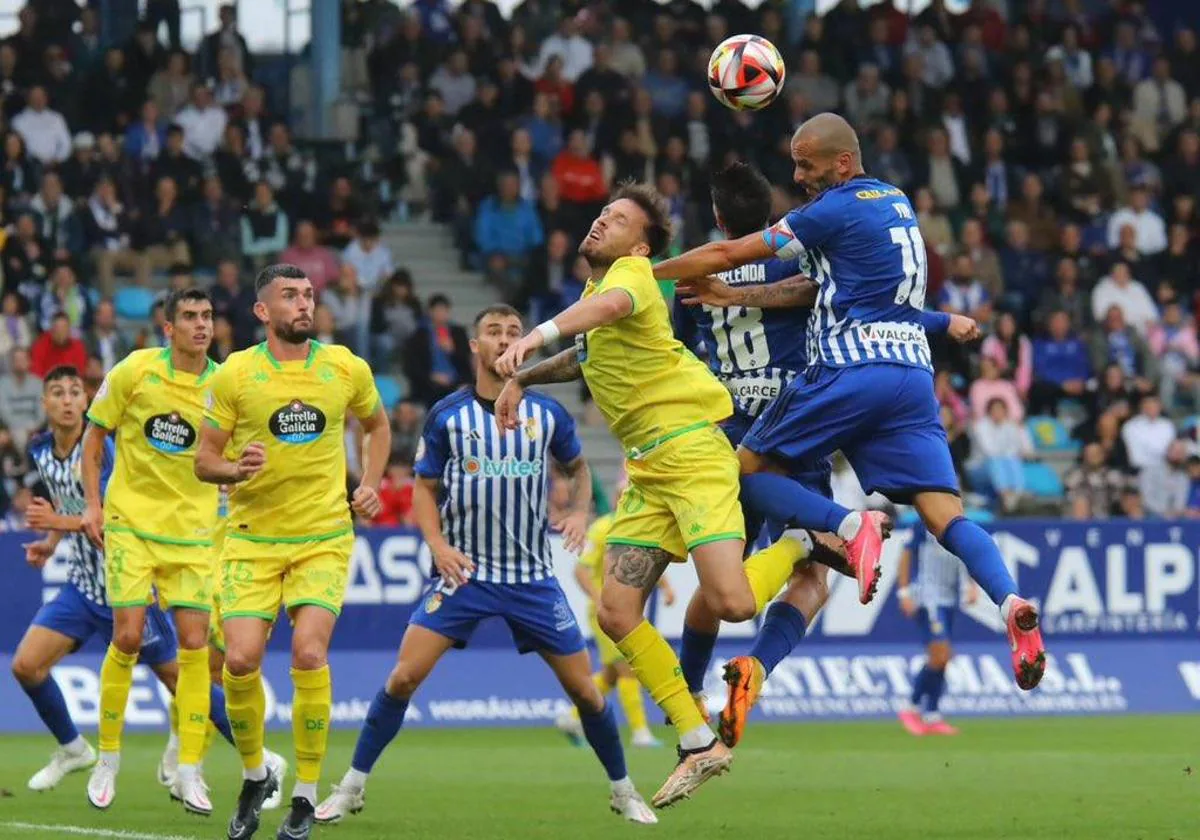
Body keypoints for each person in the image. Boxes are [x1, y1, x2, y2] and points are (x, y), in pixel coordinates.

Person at [652, 113, 1046, 693]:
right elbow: (832, 290)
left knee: (745, 470)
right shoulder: (898, 204)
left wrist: (640, 275)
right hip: (912, 376)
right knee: (946, 515)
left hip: (848, 369)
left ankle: (845, 524)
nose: (799, 175)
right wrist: (947, 321)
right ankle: (1010, 599)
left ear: (842, 161)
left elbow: (735, 253)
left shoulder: (829, 209)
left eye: (806, 163)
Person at [492, 184, 817, 808]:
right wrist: (526, 381)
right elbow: (585, 354)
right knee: (616, 613)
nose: (599, 222)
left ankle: (803, 541)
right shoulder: (596, 295)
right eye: (599, 214)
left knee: (734, 603)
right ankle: (696, 736)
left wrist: (534, 335)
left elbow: (604, 312)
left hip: (694, 451)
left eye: (614, 220)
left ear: (639, 244)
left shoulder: (633, 276)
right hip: (648, 470)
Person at [315, 304, 656, 826]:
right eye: (493, 332)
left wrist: (580, 512)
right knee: (403, 678)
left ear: (527, 346)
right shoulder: (448, 416)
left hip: (532, 581)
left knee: (586, 691)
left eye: (514, 332)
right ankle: (352, 787)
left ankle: (624, 790)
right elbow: (425, 489)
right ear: (474, 346)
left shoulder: (547, 415)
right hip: (465, 575)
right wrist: (435, 544)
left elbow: (579, 468)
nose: (504, 339)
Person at [670, 162, 965, 747]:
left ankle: (689, 690)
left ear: (719, 218)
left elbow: (680, 356)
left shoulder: (696, 274)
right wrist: (943, 321)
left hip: (727, 434)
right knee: (810, 581)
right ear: (774, 214)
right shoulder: (799, 261)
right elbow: (853, 303)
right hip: (793, 427)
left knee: (716, 589)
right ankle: (759, 661)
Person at [194, 263, 391, 840]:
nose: (303, 303)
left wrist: (371, 480)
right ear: (263, 312)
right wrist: (234, 467)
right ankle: (256, 775)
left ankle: (305, 794)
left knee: (309, 654)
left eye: (308, 294)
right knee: (237, 661)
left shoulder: (344, 366)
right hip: (251, 539)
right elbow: (204, 459)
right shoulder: (235, 375)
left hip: (323, 537)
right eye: (289, 296)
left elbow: (377, 427)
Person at [81, 290, 279, 814]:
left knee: (195, 647)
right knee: (127, 634)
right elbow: (95, 434)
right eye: (188, 317)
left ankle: (189, 769)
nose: (200, 325)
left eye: (207, 316)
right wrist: (93, 505)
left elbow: (229, 458)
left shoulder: (224, 385)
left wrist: (248, 465)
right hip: (131, 524)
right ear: (167, 328)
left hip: (192, 535)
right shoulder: (136, 370)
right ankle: (107, 759)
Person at [11, 367, 176, 791]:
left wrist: (55, 522)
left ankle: (260, 763)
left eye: (74, 393)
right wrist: (50, 540)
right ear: (44, 403)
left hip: (127, 581)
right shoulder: (41, 449)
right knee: (26, 666)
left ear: (86, 403)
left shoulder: (101, 450)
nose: (67, 400)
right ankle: (73, 749)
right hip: (83, 586)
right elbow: (69, 501)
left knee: (181, 680)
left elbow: (104, 522)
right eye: (57, 393)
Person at [556, 491, 675, 749]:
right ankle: (640, 732)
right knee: (628, 668)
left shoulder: (640, 523)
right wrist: (601, 600)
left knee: (611, 675)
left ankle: (571, 717)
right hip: (608, 611)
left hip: (627, 609)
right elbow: (580, 570)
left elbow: (647, 557)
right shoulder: (601, 528)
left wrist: (665, 586)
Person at [896, 518, 979, 736]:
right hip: (928, 597)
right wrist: (904, 592)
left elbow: (967, 555)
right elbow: (905, 555)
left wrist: (971, 585)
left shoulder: (960, 525)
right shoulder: (923, 525)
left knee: (942, 656)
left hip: (950, 599)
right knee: (941, 653)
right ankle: (911, 707)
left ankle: (932, 714)